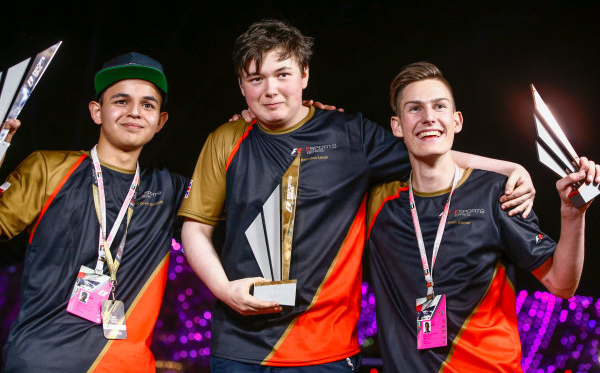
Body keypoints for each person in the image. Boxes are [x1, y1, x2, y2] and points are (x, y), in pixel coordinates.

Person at [178, 19, 535, 371]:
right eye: (256, 79)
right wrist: (224, 290)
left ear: (304, 74)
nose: (270, 90)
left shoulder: (352, 136)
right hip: (238, 347)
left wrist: (507, 168)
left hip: (327, 351)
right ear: (242, 86)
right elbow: (195, 227)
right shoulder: (225, 138)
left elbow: (427, 149)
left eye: (282, 74)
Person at [366, 61, 598, 372]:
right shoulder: (378, 202)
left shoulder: (496, 193)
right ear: (397, 126)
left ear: (456, 120)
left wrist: (572, 214)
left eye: (439, 106)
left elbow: (562, 284)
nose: (429, 117)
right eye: (415, 109)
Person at [0, 52, 188, 373]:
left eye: (147, 104)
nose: (134, 112)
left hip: (127, 366)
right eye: (121, 101)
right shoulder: (48, 168)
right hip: (40, 361)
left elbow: (247, 201)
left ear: (160, 121)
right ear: (97, 111)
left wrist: (265, 130)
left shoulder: (171, 190)